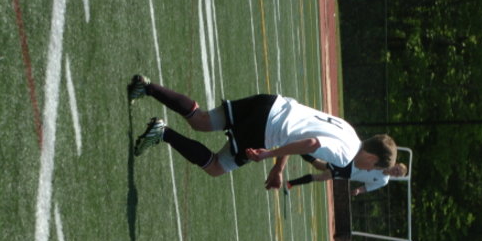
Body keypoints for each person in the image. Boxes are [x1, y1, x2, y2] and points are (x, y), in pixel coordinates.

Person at [127, 74, 398, 189]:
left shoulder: (349, 130)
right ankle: (162, 132)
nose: (369, 170)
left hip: (272, 104)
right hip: (266, 130)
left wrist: (279, 167)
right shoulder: (346, 155)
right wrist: (269, 154)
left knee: (202, 120)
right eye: (375, 167)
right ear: (373, 158)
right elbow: (311, 143)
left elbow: (301, 133)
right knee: (217, 167)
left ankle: (147, 87)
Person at [287, 155, 408, 196]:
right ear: (396, 164)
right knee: (320, 174)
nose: (395, 172)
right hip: (350, 165)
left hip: (348, 175)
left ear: (396, 177)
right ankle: (290, 183)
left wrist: (358, 191)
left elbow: (368, 187)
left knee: (319, 166)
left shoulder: (383, 181)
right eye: (397, 169)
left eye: (397, 174)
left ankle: (298, 149)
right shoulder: (383, 161)